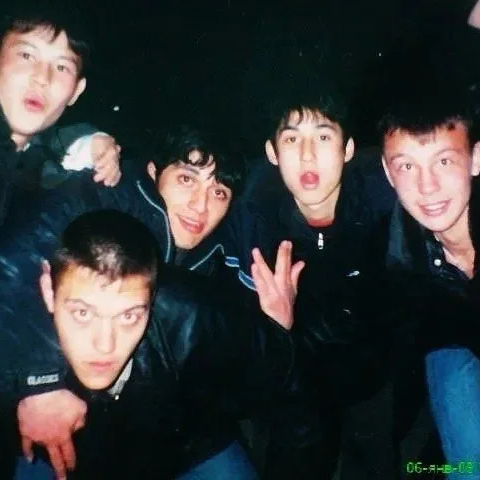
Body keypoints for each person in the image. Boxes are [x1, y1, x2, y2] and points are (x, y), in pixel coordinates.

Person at [1, 123, 300, 479]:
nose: (200, 205)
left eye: (219, 192)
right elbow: (14, 264)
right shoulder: (104, 199)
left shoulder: (223, 259)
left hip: (180, 435)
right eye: (187, 179)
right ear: (154, 172)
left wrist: (276, 328)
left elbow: (256, 371)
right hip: (65, 418)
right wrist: (40, 383)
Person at [219, 69, 397, 479]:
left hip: (372, 369)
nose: (307, 155)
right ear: (271, 152)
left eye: (323, 136)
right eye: (291, 139)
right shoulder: (249, 216)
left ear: (348, 149)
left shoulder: (385, 189)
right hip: (293, 375)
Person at [378, 82, 480, 480]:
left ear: (475, 159)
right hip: (452, 346)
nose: (427, 187)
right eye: (407, 166)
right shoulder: (397, 252)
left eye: (444, 161)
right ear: (388, 172)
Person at [0, 1, 122, 225]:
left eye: (61, 67)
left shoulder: (30, 165)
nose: (42, 78)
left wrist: (85, 145)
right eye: (27, 55)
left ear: (76, 91)